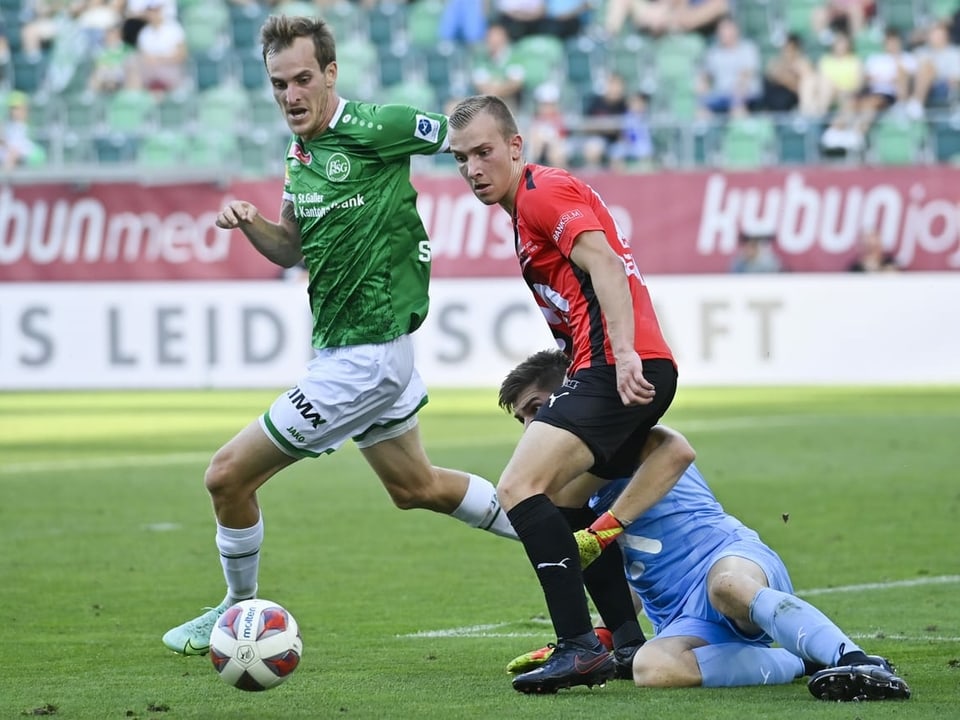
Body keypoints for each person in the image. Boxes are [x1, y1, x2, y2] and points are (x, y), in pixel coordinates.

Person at [161, 14, 521, 657]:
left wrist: (526, 187)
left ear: (330, 73)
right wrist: (253, 224)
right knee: (418, 488)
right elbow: (291, 248)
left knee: (225, 478)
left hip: (368, 356)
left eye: (303, 79)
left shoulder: (378, 126)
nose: (291, 95)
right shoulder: (298, 154)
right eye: (278, 84)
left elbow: (464, 136)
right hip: (349, 349)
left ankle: (236, 612)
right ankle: (577, 536)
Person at [500, 349, 912, 703]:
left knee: (727, 589)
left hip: (728, 559)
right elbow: (623, 571)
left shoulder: (621, 434)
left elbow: (678, 450)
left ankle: (857, 661)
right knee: (652, 669)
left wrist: (606, 527)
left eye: (537, 408)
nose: (531, 426)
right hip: (679, 616)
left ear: (568, 393)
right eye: (522, 418)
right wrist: (603, 635)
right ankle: (798, 659)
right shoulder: (568, 485)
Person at [448, 95, 678, 694]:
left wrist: (623, 353)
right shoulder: (525, 212)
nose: (473, 168)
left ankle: (578, 647)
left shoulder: (541, 192)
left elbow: (604, 262)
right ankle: (625, 640)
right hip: (614, 363)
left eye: (483, 152)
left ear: (516, 148)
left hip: (616, 364)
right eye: (461, 158)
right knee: (571, 502)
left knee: (519, 487)